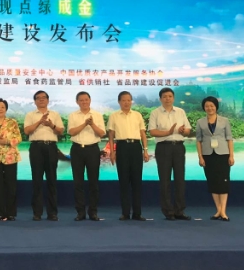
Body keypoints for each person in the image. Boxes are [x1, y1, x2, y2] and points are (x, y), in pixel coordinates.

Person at [148, 87, 191, 220]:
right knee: (165, 180)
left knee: (180, 180)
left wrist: (183, 131)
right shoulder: (155, 113)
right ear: (160, 99)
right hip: (163, 148)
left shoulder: (180, 111)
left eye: (170, 96)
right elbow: (152, 131)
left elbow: (188, 131)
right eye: (165, 96)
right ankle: (168, 211)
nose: (167, 99)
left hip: (178, 147)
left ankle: (179, 211)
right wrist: (168, 132)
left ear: (173, 98)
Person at [108, 91, 149, 221]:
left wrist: (145, 150)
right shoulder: (114, 116)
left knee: (137, 181)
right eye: (123, 100)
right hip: (122, 147)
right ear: (119, 102)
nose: (126, 102)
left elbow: (143, 134)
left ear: (131, 101)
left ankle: (137, 213)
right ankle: (125, 213)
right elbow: (111, 136)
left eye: (128, 100)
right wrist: (112, 152)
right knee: (124, 181)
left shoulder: (137, 115)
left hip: (136, 147)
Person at [24, 90, 64, 221]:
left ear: (48, 100)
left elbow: (60, 131)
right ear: (35, 101)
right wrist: (40, 122)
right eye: (38, 98)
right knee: (37, 180)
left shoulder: (55, 114)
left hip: (51, 147)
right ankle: (37, 213)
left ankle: (52, 213)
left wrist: (51, 124)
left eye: (44, 97)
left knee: (52, 180)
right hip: (36, 147)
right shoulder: (30, 115)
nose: (41, 99)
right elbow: (27, 131)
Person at [67, 91, 105, 221]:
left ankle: (93, 212)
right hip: (77, 149)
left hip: (93, 149)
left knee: (93, 182)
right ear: (77, 102)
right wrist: (85, 124)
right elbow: (72, 132)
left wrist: (92, 124)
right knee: (78, 182)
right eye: (81, 100)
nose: (84, 102)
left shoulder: (97, 115)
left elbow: (101, 133)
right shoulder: (73, 115)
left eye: (86, 99)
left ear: (90, 100)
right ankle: (80, 212)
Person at [196, 96, 234, 221]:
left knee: (223, 182)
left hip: (223, 154)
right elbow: (198, 140)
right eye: (207, 106)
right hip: (207, 155)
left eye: (212, 106)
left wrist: (231, 155)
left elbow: (229, 138)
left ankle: (223, 211)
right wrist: (200, 157)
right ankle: (218, 210)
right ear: (204, 108)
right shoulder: (200, 122)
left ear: (216, 107)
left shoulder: (225, 121)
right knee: (212, 182)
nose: (209, 108)